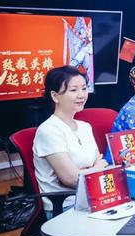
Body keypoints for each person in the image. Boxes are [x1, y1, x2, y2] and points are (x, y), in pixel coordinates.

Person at [33, 66, 108, 220]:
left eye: (84, 88)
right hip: (66, 205)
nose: (81, 95)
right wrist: (95, 168)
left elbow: (100, 162)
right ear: (55, 96)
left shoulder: (85, 127)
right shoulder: (48, 130)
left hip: (94, 198)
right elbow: (73, 179)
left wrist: (88, 170)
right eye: (73, 90)